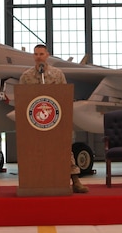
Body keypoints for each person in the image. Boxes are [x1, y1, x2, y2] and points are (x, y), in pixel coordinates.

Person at [18, 43, 88, 194]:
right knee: (34, 152)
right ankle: (34, 182)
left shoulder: (57, 74)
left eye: (41, 54)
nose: (38, 57)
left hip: (55, 121)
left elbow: (64, 97)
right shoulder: (26, 76)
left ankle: (75, 180)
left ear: (47, 55)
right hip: (35, 123)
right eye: (36, 54)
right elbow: (22, 100)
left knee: (64, 149)